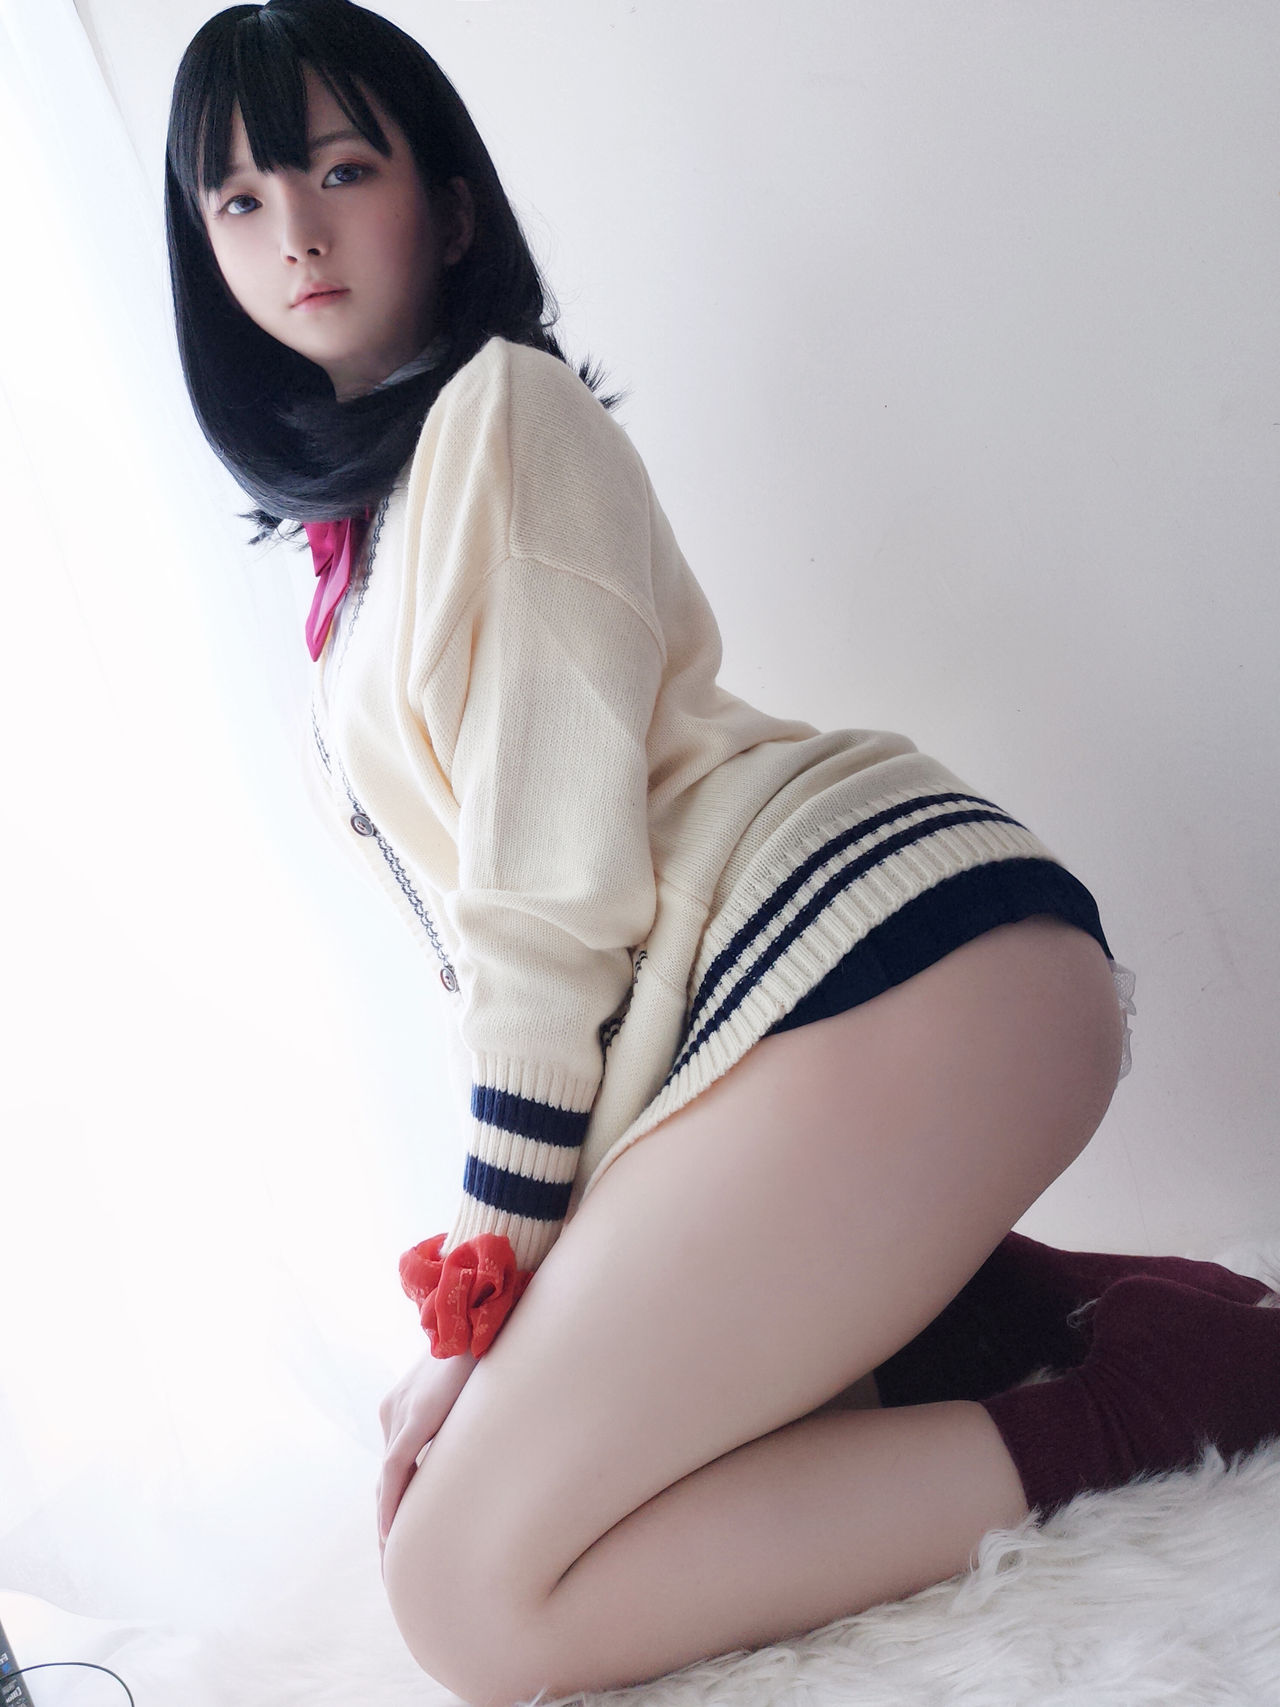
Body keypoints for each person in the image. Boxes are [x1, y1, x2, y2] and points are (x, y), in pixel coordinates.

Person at [164, 4, 1280, 1702]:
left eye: (338, 170)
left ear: (447, 208)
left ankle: (1152, 1398)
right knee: (508, 1534)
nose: (294, 233)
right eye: (240, 201)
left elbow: (549, 915)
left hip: (886, 964)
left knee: (466, 1594)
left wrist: (480, 1301)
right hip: (786, 1029)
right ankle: (1009, 1321)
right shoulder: (366, 546)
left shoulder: (501, 418)